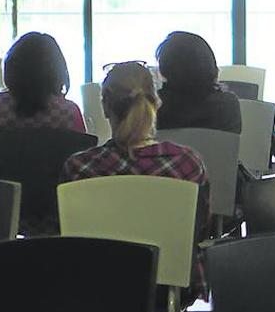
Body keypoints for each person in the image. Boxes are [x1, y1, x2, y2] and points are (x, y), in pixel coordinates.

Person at [61, 61, 210, 297]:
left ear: (105, 107)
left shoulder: (80, 168)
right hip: (174, 292)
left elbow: (71, 242)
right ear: (156, 102)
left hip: (96, 294)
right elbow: (199, 230)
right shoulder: (187, 163)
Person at [0, 32, 85, 170]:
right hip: (56, 191)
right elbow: (81, 161)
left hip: (5, 190)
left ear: (12, 68)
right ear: (58, 71)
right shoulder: (70, 112)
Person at [155, 31, 242, 134]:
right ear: (210, 65)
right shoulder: (228, 105)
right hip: (213, 150)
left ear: (165, 69)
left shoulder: (155, 107)